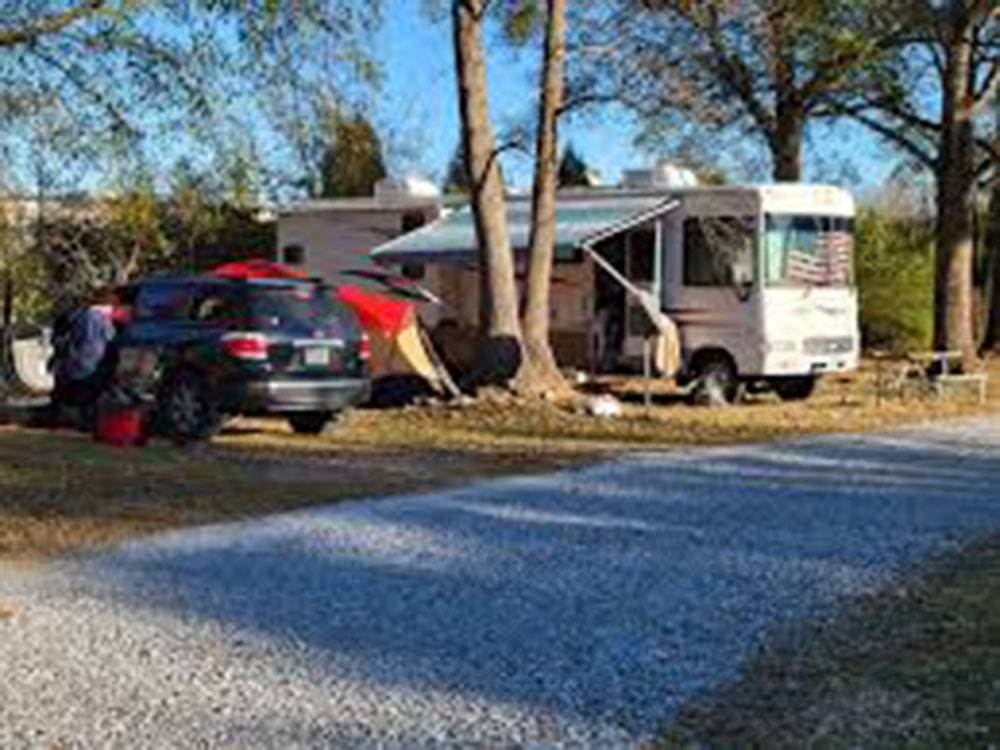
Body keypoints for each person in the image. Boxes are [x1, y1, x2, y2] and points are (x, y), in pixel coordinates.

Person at [50, 287, 119, 426]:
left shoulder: (82, 316)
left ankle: (70, 418)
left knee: (77, 395)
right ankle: (82, 420)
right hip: (92, 363)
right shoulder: (102, 318)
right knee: (87, 395)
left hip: (78, 362)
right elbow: (110, 338)